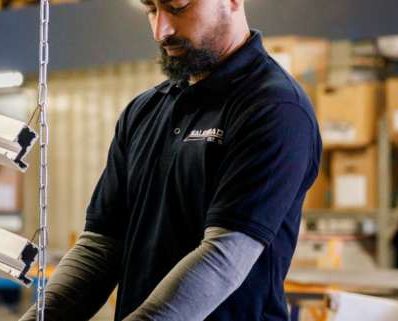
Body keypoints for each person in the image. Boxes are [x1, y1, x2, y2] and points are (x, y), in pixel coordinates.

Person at [20, 0, 322, 320]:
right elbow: (100, 248)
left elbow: (223, 259)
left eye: (177, 7)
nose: (159, 30)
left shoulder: (276, 108)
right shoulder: (143, 111)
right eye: (151, 9)